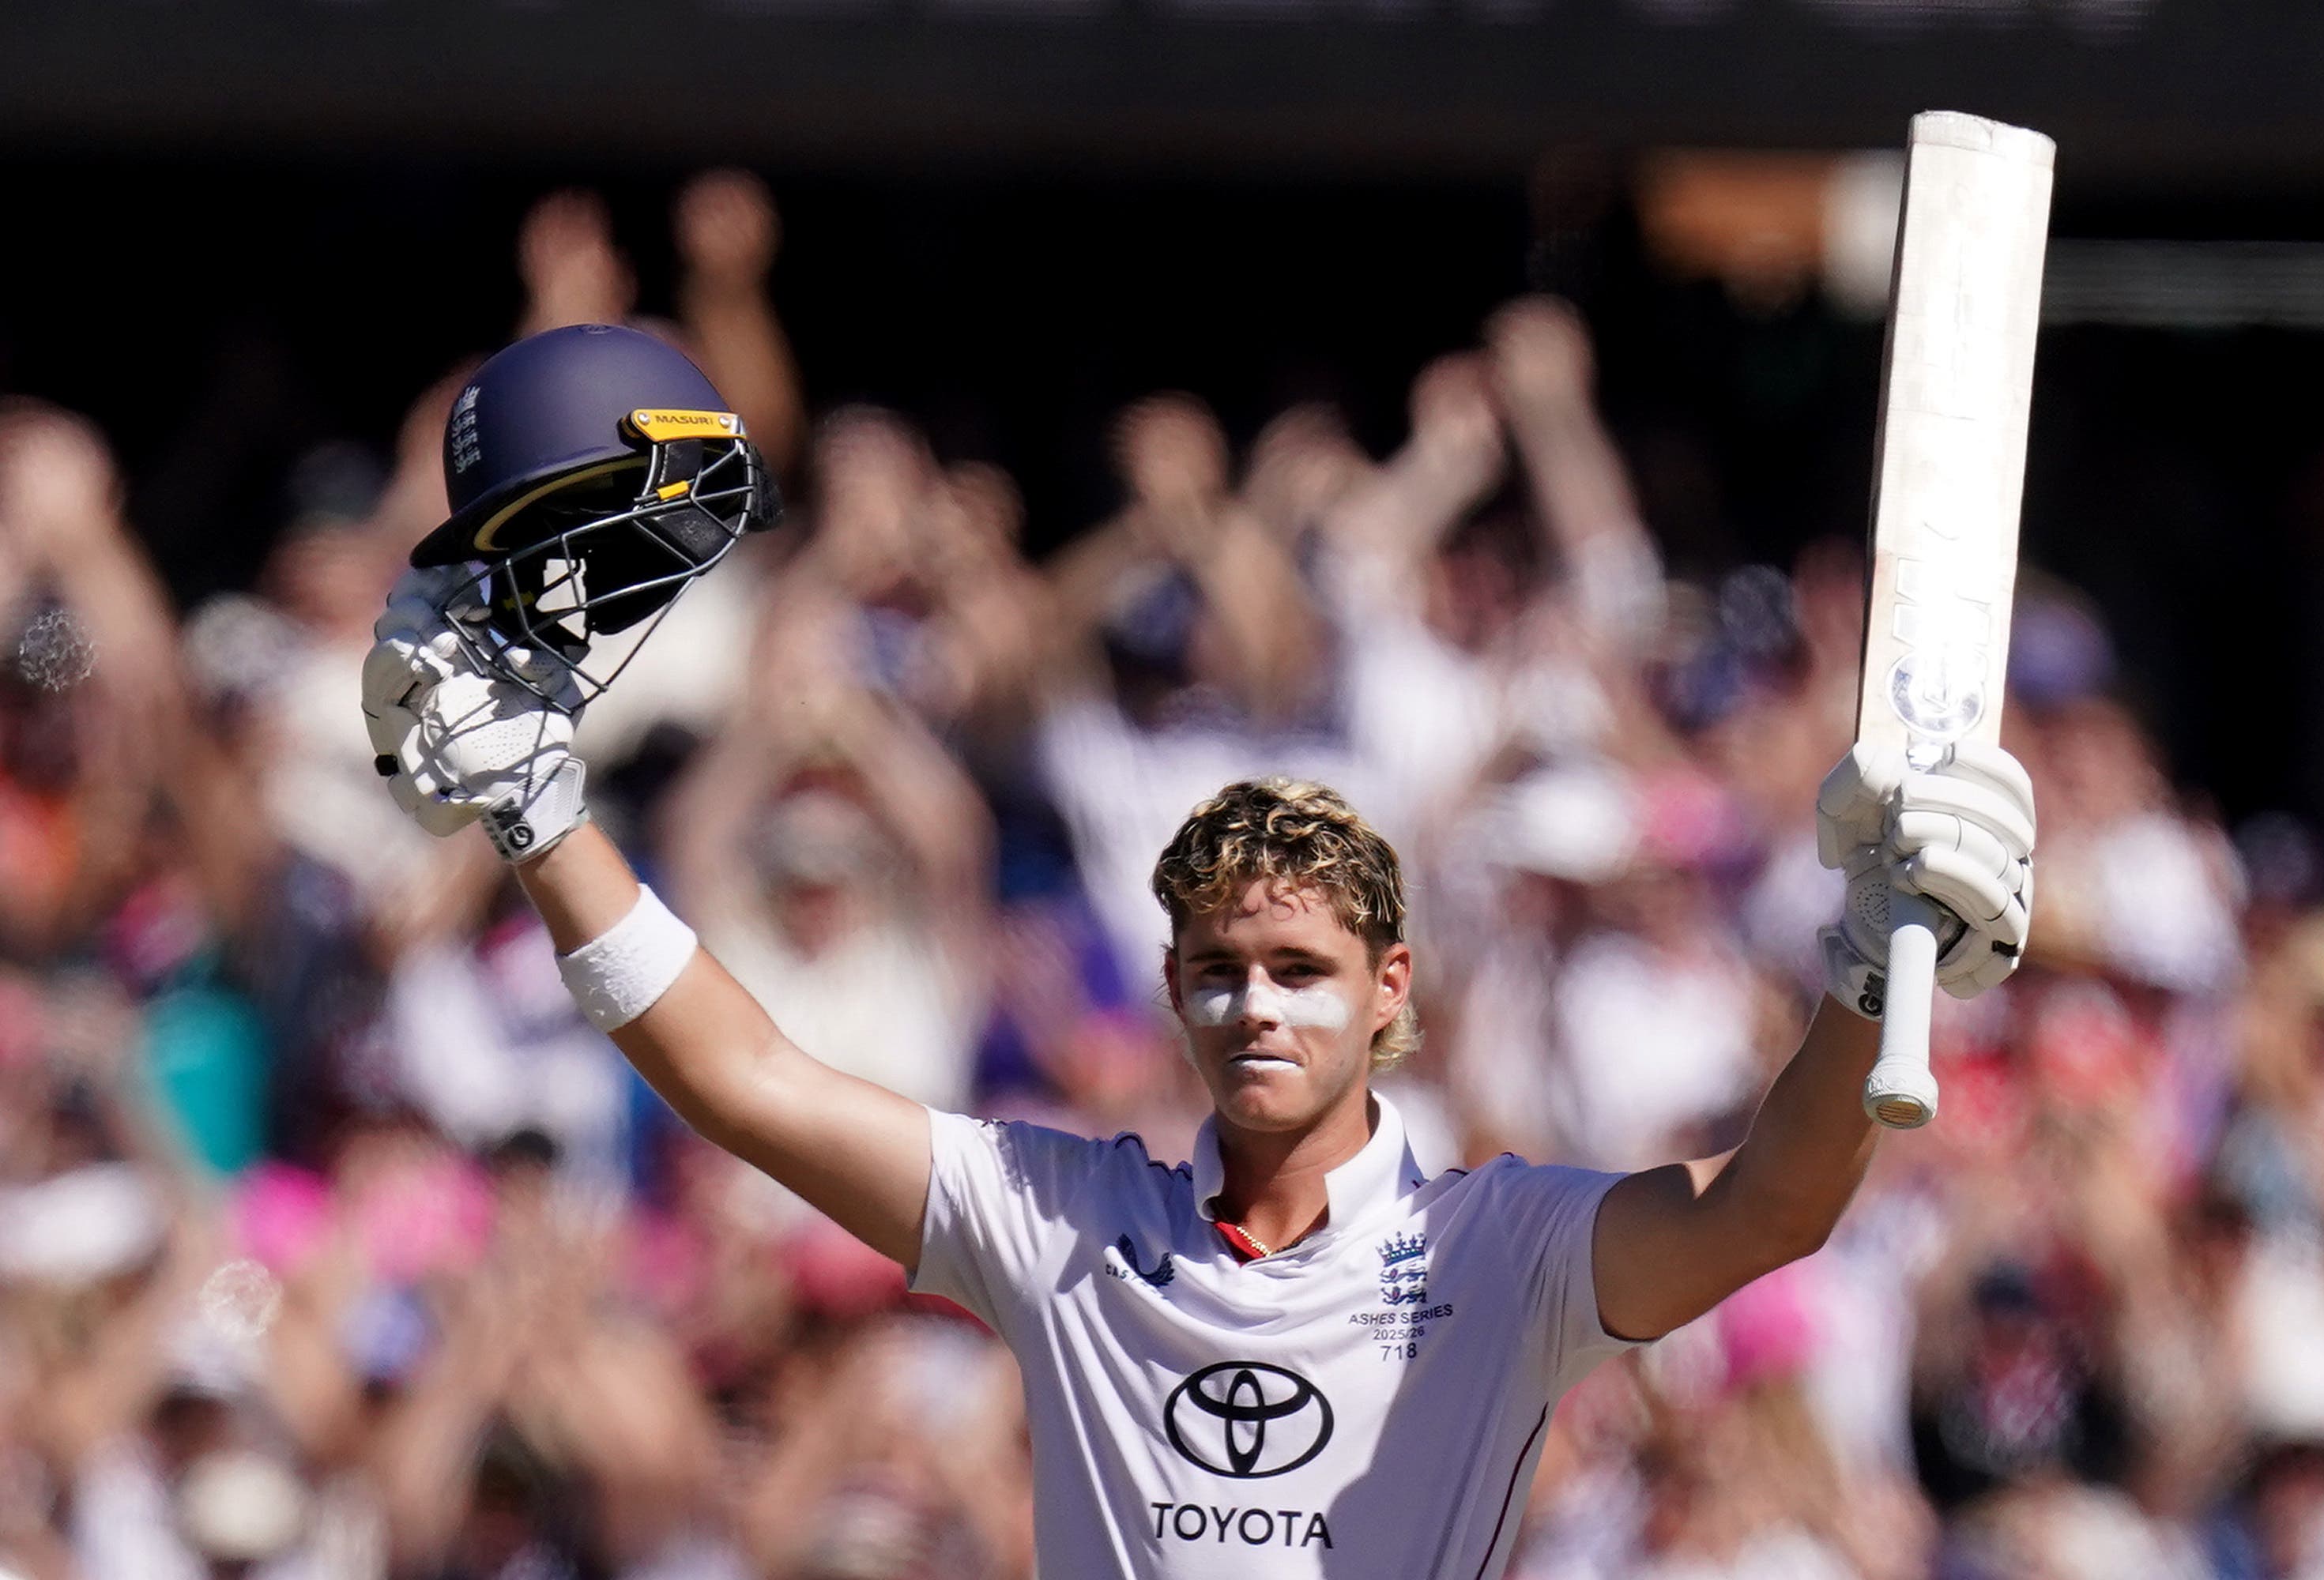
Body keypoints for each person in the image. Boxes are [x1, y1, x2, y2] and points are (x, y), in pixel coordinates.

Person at [360, 324, 2039, 1578]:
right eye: (1222, 969)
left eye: (1304, 970)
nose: (1258, 1004)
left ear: (1394, 993)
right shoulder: (1064, 1223)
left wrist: (1872, 967)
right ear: (1171, 991)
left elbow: (1774, 1205)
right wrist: (533, 812)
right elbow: (739, 1078)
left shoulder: (1503, 1247)